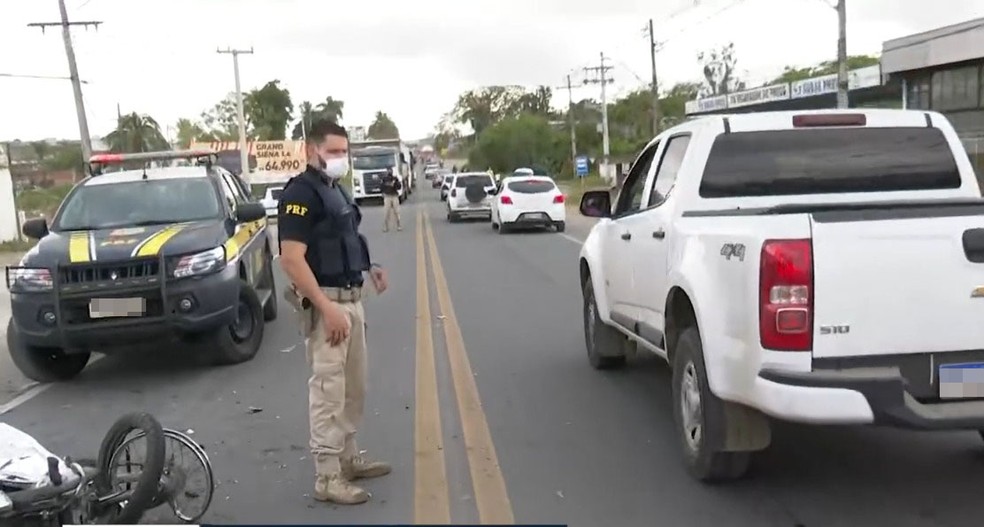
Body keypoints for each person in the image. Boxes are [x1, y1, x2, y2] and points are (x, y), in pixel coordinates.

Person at [277, 119, 392, 505]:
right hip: (328, 304)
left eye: (345, 151)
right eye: (334, 151)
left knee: (353, 388)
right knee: (328, 391)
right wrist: (325, 308)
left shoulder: (335, 191)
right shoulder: (300, 194)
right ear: (312, 151)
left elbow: (346, 237)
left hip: (352, 298)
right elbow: (291, 260)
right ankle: (327, 476)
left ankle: (347, 458)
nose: (342, 158)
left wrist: (370, 266)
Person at [380, 167, 402, 232]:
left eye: (390, 171)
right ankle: (386, 227)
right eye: (388, 171)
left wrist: (396, 183)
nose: (389, 172)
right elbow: (381, 187)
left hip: (394, 196)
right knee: (387, 212)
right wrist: (383, 192)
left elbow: (399, 187)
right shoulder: (384, 179)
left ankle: (399, 225)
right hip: (387, 196)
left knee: (397, 211)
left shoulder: (395, 178)